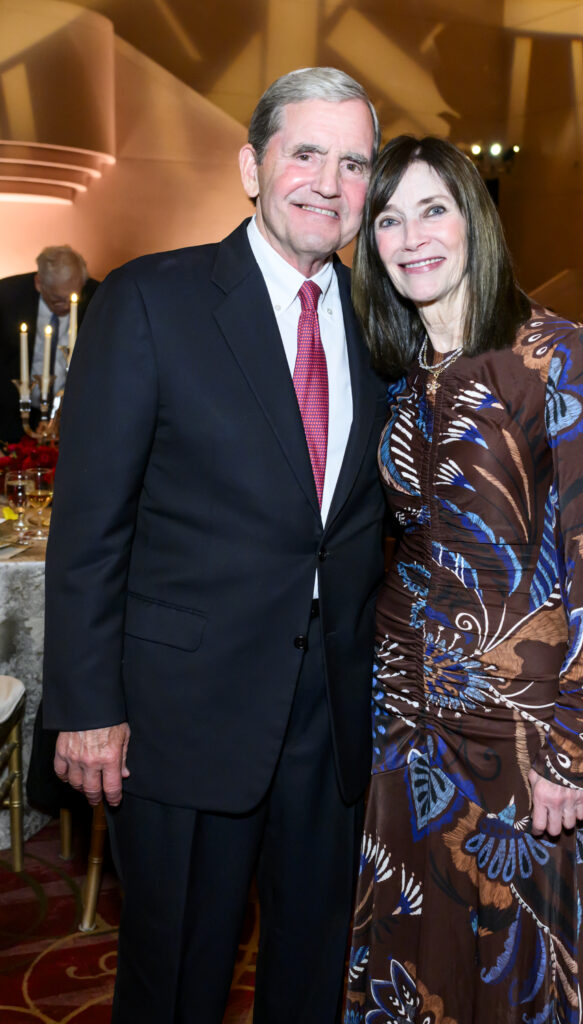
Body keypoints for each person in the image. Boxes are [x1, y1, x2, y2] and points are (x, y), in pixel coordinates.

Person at [42, 67, 387, 1024]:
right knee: (177, 976)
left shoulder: (380, 324)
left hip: (331, 715)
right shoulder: (152, 301)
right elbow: (88, 527)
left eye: (353, 162)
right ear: (252, 165)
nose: (327, 181)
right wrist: (85, 705)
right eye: (304, 153)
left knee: (313, 970)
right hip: (180, 718)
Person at [343, 136, 583, 1023]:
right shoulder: (397, 373)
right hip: (403, 709)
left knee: (507, 959)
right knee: (410, 942)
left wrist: (568, 739)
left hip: (516, 724)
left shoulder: (552, 351)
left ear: (474, 221)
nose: (411, 236)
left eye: (433, 209)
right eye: (388, 218)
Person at [0, 246, 98, 442]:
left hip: (74, 417)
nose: (66, 307)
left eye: (72, 299)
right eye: (56, 300)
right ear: (39, 283)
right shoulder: (7, 297)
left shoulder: (98, 298)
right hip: (14, 412)